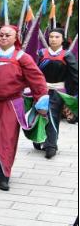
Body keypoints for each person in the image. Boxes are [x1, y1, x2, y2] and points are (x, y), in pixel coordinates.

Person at [0, 25, 49, 190]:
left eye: (8, 35)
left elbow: (37, 80)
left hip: (12, 104)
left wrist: (41, 101)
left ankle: (3, 176)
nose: (4, 37)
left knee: (7, 138)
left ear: (16, 38)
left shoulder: (23, 58)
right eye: (1, 35)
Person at [35, 28, 78, 158]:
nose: (53, 39)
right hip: (41, 90)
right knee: (39, 115)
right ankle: (39, 139)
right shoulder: (41, 53)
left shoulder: (67, 55)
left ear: (62, 39)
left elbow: (75, 75)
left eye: (57, 37)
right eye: (51, 36)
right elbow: (34, 72)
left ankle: (51, 146)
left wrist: (74, 92)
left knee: (52, 116)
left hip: (58, 91)